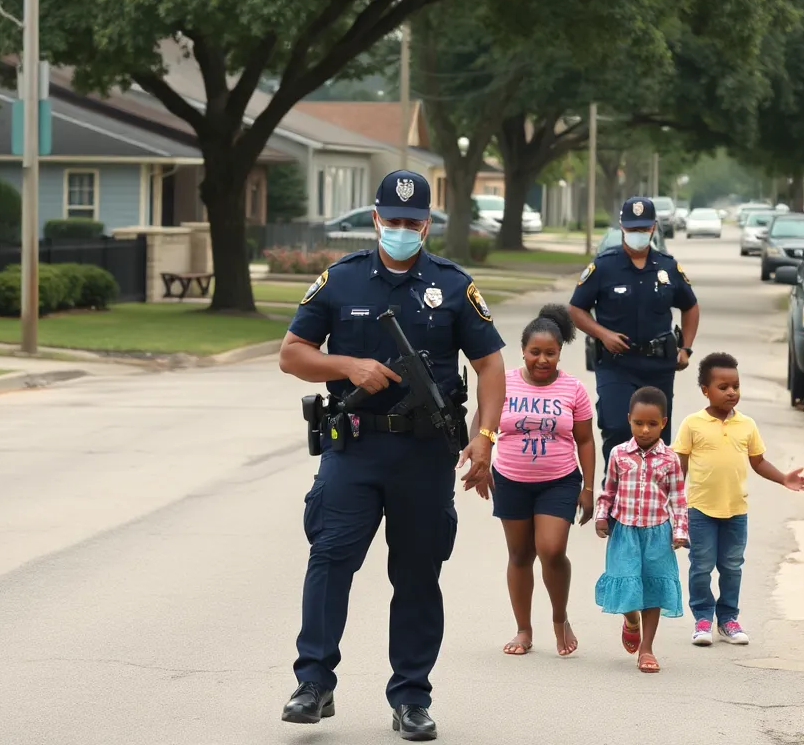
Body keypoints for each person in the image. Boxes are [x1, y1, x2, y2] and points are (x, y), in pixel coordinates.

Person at [277, 169, 507, 741]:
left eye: (413, 221)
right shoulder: (342, 280)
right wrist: (346, 366)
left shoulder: (453, 285)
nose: (402, 229)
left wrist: (485, 437)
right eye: (393, 220)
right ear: (375, 218)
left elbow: (490, 365)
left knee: (418, 575)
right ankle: (313, 685)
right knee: (330, 561)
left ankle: (410, 697)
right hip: (353, 448)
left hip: (426, 454)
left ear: (427, 223)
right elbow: (292, 354)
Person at [672, 353, 804, 647]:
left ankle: (728, 620)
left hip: (736, 511)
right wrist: (671, 506)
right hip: (700, 510)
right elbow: (679, 467)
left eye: (735, 386)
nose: (731, 392)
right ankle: (702, 618)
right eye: (723, 387)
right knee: (701, 566)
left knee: (732, 567)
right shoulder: (692, 424)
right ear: (705, 391)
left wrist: (784, 477)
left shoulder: (746, 425)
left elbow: (758, 462)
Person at [488, 304, 597, 658]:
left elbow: (585, 439)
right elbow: (483, 422)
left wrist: (589, 488)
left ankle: (559, 617)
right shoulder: (503, 382)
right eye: (535, 352)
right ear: (523, 350)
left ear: (560, 352)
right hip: (510, 479)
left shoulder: (573, 389)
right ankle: (523, 629)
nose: (542, 359)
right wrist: (479, 461)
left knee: (551, 550)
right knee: (520, 554)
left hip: (559, 481)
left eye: (550, 353)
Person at [569, 197, 700, 480]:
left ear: (653, 228)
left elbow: (690, 306)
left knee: (655, 433)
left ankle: (653, 495)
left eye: (642, 228)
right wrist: (602, 334)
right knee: (617, 426)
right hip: (616, 363)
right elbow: (576, 308)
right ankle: (616, 493)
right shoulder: (604, 266)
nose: (637, 234)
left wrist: (686, 349)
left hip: (659, 365)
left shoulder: (667, 267)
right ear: (621, 227)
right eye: (631, 228)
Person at [593, 386, 687, 674]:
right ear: (629, 420)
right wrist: (601, 516)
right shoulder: (619, 454)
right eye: (638, 423)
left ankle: (647, 648)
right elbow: (608, 490)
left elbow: (678, 498)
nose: (645, 430)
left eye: (652, 424)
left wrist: (680, 530)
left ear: (664, 423)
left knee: (654, 588)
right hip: (624, 532)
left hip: (657, 534)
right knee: (625, 583)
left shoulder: (670, 459)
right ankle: (631, 620)